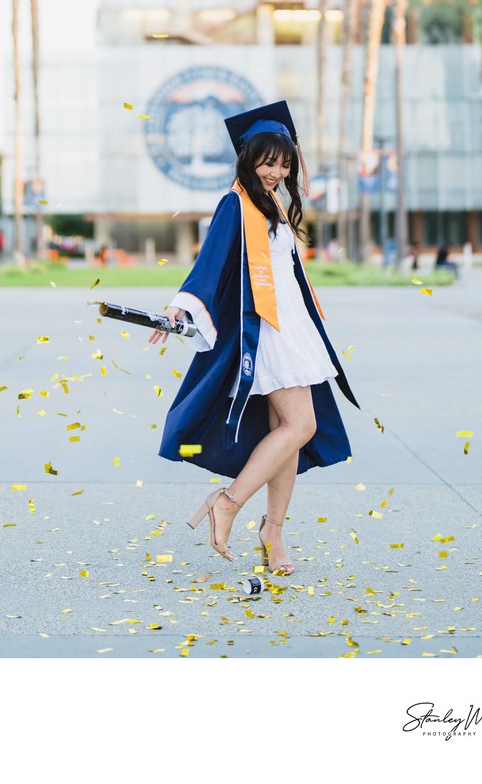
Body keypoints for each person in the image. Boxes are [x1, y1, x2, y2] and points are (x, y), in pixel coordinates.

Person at [150, 100, 359, 575]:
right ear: (248, 158)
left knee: (286, 433)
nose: (276, 171)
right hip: (266, 332)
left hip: (292, 328)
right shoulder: (235, 204)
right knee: (299, 427)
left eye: (284, 163)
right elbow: (211, 262)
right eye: (268, 161)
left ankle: (274, 534)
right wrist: (180, 305)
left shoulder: (275, 207)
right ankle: (228, 502)